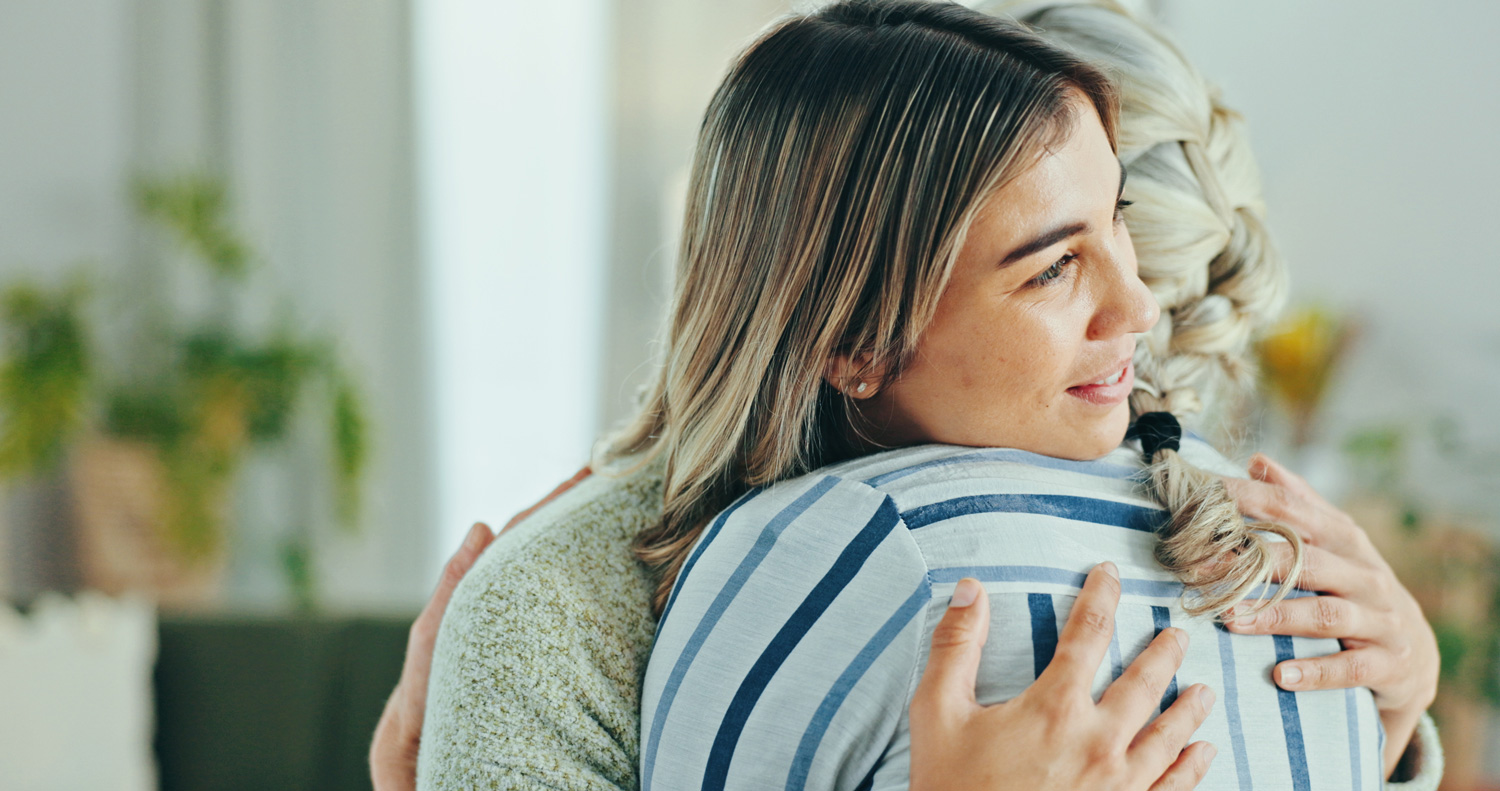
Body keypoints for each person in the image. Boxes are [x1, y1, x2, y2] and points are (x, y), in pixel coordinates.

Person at [376, 1, 1443, 789]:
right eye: (1051, 267)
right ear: (852, 342)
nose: (1140, 305)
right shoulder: (559, 608)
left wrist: (1393, 717)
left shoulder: (1198, 516)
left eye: (1114, 220)